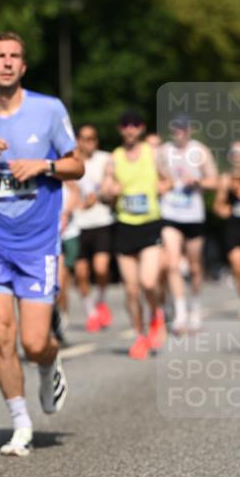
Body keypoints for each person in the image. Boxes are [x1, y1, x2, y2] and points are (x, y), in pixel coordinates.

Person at [0, 31, 83, 456]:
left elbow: (76, 164)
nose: (7, 62)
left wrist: (43, 165)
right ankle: (20, 423)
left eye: (15, 56)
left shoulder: (48, 110)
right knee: (1, 332)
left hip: (38, 244)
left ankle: (49, 364)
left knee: (34, 342)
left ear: (23, 67)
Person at [100, 109, 168, 360]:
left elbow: (168, 180)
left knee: (149, 282)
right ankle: (140, 335)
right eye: (126, 125)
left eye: (135, 124)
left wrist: (163, 187)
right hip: (125, 226)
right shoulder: (113, 158)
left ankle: (156, 314)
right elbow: (104, 193)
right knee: (130, 289)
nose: (130, 129)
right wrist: (110, 191)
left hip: (149, 223)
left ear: (141, 128)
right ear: (120, 129)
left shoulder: (153, 154)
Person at [157, 116, 218, 333]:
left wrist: (199, 181)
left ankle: (196, 305)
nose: (178, 133)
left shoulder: (200, 151)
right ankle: (180, 313)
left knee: (194, 266)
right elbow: (155, 179)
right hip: (170, 213)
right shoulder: (163, 151)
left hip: (193, 215)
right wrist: (163, 185)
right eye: (175, 129)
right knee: (172, 264)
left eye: (182, 129)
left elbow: (214, 180)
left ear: (189, 130)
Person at [73, 125, 115, 332]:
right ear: (77, 140)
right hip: (77, 224)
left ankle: (101, 300)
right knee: (81, 273)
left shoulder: (106, 159)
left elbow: (114, 187)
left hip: (101, 220)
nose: (88, 142)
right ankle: (90, 312)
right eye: (84, 138)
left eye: (92, 138)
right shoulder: (71, 162)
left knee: (101, 268)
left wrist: (99, 196)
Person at [213, 141, 240, 320]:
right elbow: (218, 205)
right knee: (238, 267)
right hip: (234, 228)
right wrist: (227, 210)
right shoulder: (226, 179)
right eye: (234, 154)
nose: (238, 158)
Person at [56, 180, 82, 337]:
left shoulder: (59, 169)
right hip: (44, 235)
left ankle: (62, 315)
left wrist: (66, 212)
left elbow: (76, 192)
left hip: (67, 234)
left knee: (61, 281)